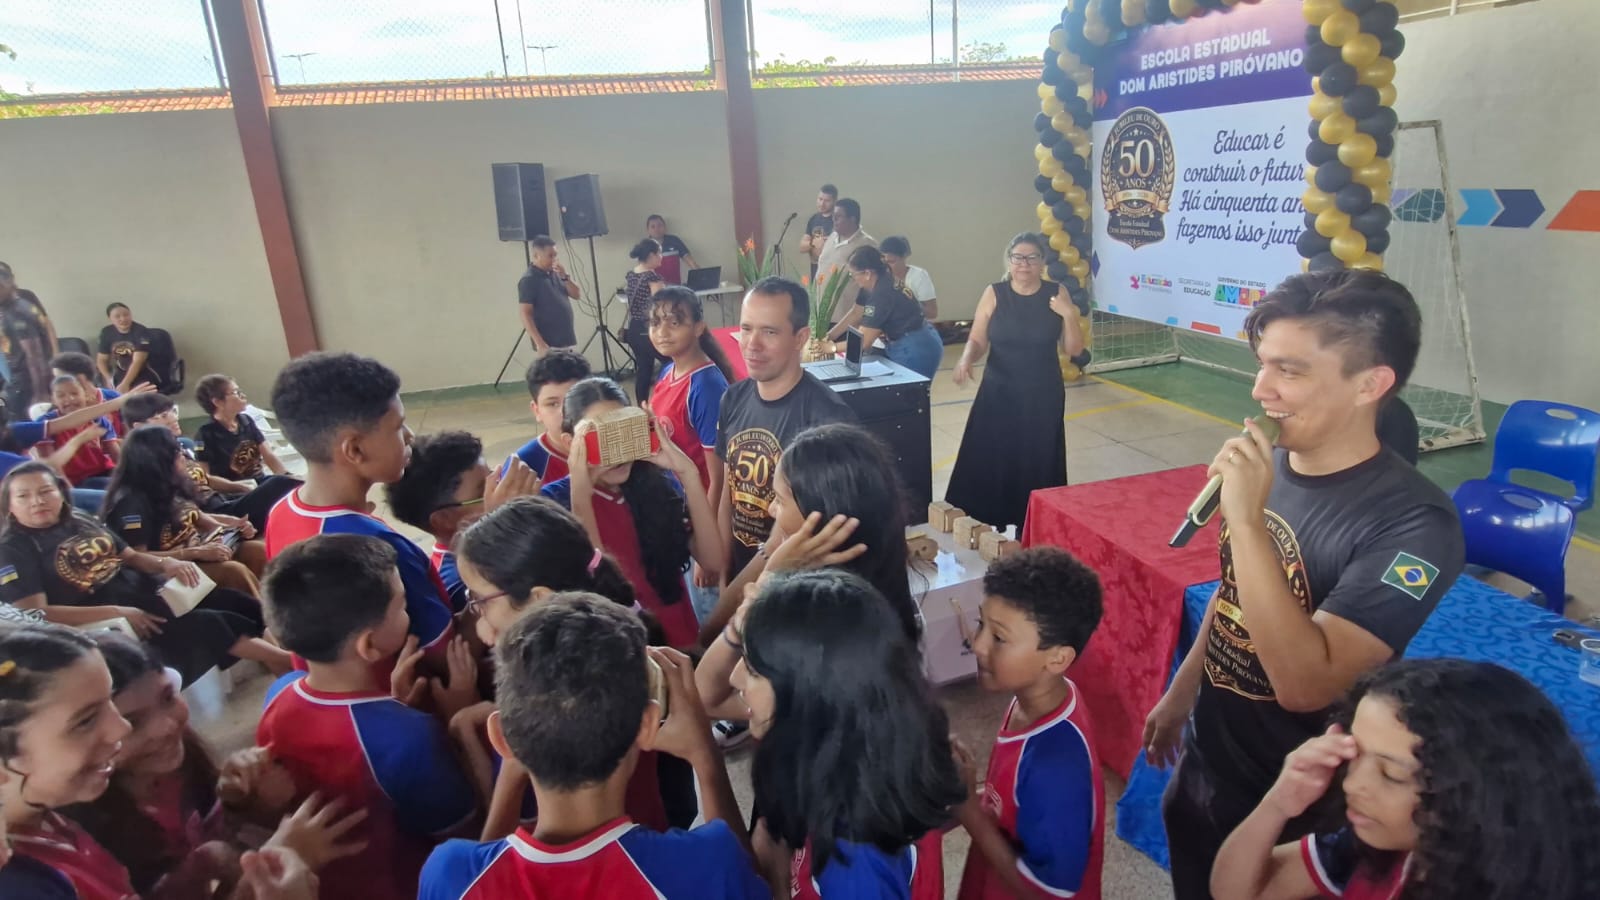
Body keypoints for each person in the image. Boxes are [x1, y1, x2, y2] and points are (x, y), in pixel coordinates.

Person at [1142, 270, 1466, 900]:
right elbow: (1236, 590)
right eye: (1262, 364)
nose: (1260, 389)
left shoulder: (1415, 525)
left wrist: (1244, 517)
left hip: (1296, 805)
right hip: (1210, 765)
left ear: (1371, 384)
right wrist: (1182, 691)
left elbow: (1308, 684)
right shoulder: (1275, 464)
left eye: (1289, 371)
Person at [419, 594, 766, 900]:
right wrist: (705, 756)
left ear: (501, 739)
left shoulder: (447, 872)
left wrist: (515, 763)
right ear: (647, 726)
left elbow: (484, 869)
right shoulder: (703, 863)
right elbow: (745, 876)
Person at [1212, 658, 1600, 900]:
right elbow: (1238, 891)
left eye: (1392, 773)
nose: (1352, 784)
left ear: (1480, 794)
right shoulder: (1389, 847)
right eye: (1355, 756)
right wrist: (1277, 804)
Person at [450, 497, 694, 837]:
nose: (473, 612)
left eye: (479, 600)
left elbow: (517, 828)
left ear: (538, 600)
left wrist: (469, 737)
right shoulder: (616, 645)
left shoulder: (567, 703)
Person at [257, 534, 481, 900]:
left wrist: (392, 709)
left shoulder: (279, 692)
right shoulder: (409, 736)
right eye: (402, 605)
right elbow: (462, 836)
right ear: (369, 644)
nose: (409, 615)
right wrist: (460, 718)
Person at [730, 570, 965, 898]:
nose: (735, 678)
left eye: (753, 670)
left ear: (811, 697)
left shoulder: (855, 865)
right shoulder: (857, 756)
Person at [0, 461, 288, 684]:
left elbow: (132, 556)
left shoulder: (78, 519)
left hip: (152, 593)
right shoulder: (13, 549)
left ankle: (290, 669)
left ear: (61, 493)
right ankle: (292, 673)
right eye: (23, 496)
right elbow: (37, 614)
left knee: (244, 606)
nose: (37, 501)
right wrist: (118, 610)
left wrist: (169, 564)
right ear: (9, 504)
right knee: (215, 625)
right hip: (115, 620)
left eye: (45, 491)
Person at [265, 351, 456, 673]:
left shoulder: (281, 512)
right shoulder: (378, 546)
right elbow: (444, 653)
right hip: (408, 707)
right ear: (354, 449)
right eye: (398, 427)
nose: (410, 436)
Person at [957, 547, 1106, 900]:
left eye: (999, 637)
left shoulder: (1056, 766)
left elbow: (1050, 889)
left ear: (1057, 658)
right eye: (981, 624)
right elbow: (1012, 800)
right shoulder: (1035, 697)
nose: (977, 645)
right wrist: (955, 797)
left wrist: (967, 812)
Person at [540, 377, 723, 648]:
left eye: (624, 431)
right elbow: (595, 587)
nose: (616, 449)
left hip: (680, 642)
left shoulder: (655, 484)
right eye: (600, 436)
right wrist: (581, 494)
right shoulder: (553, 501)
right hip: (619, 650)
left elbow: (713, 562)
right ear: (570, 442)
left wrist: (688, 474)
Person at [717, 277, 854, 584]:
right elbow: (729, 488)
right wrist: (726, 565)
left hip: (794, 583)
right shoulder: (733, 398)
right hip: (742, 573)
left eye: (769, 331)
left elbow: (829, 525)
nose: (752, 344)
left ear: (800, 337)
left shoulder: (828, 418)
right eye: (747, 328)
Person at [946, 233, 1086, 532]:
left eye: (1032, 257)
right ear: (1009, 262)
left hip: (1041, 393)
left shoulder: (1055, 293)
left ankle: (1033, 521)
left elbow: (1074, 349)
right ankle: (986, 518)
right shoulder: (995, 293)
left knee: (1036, 456)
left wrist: (1069, 314)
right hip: (999, 389)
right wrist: (966, 358)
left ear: (1042, 262)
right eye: (1018, 257)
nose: (1024, 264)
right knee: (992, 452)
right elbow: (978, 337)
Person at [646, 286, 735, 622]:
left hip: (699, 521)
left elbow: (719, 478)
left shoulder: (706, 387)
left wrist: (705, 549)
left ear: (699, 327)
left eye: (674, 322)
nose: (662, 332)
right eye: (655, 323)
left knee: (708, 622)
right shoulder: (670, 371)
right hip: (676, 516)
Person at [101, 424, 267, 597]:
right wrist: (192, 553)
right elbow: (136, 557)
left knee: (257, 551)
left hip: (199, 551)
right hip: (169, 570)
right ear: (158, 459)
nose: (184, 456)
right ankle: (266, 617)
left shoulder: (171, 482)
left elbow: (199, 517)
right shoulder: (130, 504)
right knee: (233, 571)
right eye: (177, 452)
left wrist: (234, 525)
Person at [121, 392, 298, 534]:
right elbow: (180, 507)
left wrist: (243, 488)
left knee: (268, 482)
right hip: (213, 513)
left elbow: (206, 479)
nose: (173, 418)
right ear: (138, 426)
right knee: (279, 484)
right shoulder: (151, 462)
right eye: (163, 415)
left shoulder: (177, 446)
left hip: (223, 500)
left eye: (173, 411)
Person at [827, 245, 943, 378]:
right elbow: (856, 313)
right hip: (907, 341)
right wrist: (829, 336)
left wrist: (831, 348)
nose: (853, 279)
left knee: (908, 395)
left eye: (853, 275)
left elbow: (864, 343)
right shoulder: (874, 282)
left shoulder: (881, 295)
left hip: (915, 347)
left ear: (867, 273)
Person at [509, 350, 591, 482]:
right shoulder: (523, 468)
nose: (565, 412)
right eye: (553, 404)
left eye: (575, 400)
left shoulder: (616, 444)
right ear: (537, 411)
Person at [193, 374, 287, 483]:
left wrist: (287, 476)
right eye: (236, 393)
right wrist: (241, 488)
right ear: (218, 402)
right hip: (233, 491)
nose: (243, 396)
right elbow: (205, 477)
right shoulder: (205, 434)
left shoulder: (246, 421)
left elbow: (268, 455)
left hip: (259, 482)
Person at [35, 375, 120, 488]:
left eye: (74, 393)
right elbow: (52, 466)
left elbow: (116, 455)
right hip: (75, 481)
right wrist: (71, 494)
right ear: (53, 400)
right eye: (61, 396)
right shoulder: (46, 424)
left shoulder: (97, 418)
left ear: (85, 394)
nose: (70, 399)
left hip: (103, 471)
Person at [0, 265, 57, 411]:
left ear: (10, 282)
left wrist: (41, 393)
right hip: (19, 376)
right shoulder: (17, 306)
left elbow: (35, 356)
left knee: (25, 427)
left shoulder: (17, 311)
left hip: (26, 383)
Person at [812, 198, 876, 324]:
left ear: (852, 219)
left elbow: (872, 284)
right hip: (821, 316)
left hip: (845, 319)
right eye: (833, 216)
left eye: (838, 217)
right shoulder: (831, 237)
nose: (833, 220)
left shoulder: (866, 245)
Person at [623, 239, 670, 402]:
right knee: (671, 362)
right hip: (648, 328)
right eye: (659, 253)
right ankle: (667, 400)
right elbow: (660, 305)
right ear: (651, 255)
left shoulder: (632, 274)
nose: (661, 257)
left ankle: (642, 407)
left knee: (644, 369)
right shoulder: (652, 277)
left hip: (634, 329)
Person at [517, 235, 580, 354]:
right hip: (549, 343)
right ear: (536, 256)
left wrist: (565, 276)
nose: (554, 260)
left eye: (555, 255)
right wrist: (540, 344)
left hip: (567, 339)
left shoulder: (556, 272)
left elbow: (576, 295)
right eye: (550, 256)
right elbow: (525, 313)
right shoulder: (529, 280)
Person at [97, 302, 171, 394]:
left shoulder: (141, 331)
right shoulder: (106, 332)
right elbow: (102, 359)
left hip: (142, 373)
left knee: (136, 397)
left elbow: (138, 361)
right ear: (110, 319)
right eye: (117, 316)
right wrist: (108, 379)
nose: (123, 318)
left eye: (126, 315)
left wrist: (125, 384)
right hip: (120, 373)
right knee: (110, 395)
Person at [50, 351, 123, 437]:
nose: (56, 383)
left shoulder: (114, 397)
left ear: (81, 378)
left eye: (60, 378)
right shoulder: (62, 407)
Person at [0, 260, 61, 361]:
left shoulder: (26, 296)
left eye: (4, 276)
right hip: (10, 363)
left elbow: (46, 325)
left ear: (11, 278)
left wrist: (56, 355)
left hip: (39, 357)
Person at [880, 235, 939, 320]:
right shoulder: (879, 276)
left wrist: (909, 301)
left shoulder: (919, 276)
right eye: (884, 262)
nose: (887, 267)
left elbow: (932, 313)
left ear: (904, 257)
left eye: (891, 262)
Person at [645, 214, 699, 286]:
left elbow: (691, 261)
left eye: (659, 225)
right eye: (653, 226)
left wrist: (701, 277)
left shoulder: (674, 240)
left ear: (665, 227)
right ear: (648, 230)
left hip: (676, 288)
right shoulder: (644, 246)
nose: (656, 229)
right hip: (655, 290)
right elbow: (643, 272)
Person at [797, 184, 838, 278]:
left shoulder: (839, 220)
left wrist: (828, 241)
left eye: (827, 201)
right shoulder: (814, 219)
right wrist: (813, 243)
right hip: (815, 267)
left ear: (835, 201)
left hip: (832, 269)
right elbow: (802, 247)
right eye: (820, 199)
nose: (822, 204)